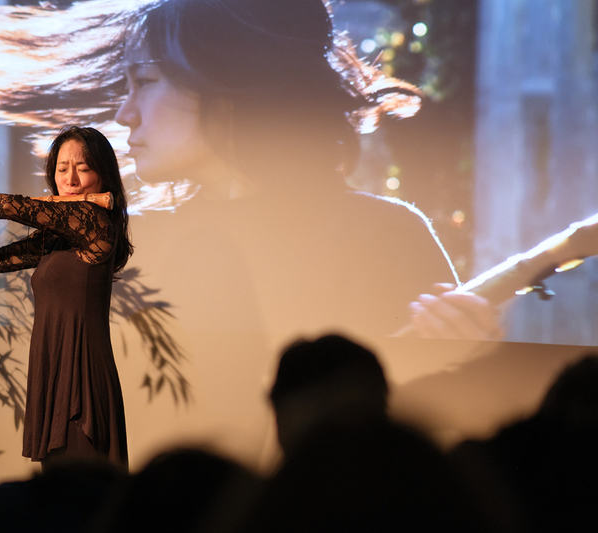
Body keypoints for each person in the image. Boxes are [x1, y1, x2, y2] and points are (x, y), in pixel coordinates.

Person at [113, 0, 500, 344]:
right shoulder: (123, 248)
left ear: (227, 82)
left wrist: (468, 357)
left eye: (144, 83)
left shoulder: (388, 239)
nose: (124, 114)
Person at [0, 125, 132, 469]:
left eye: (83, 168)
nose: (71, 180)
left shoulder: (96, 222)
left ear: (103, 176)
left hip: (82, 372)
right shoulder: (57, 237)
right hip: (53, 367)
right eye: (62, 169)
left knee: (83, 487)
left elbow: (17, 206)